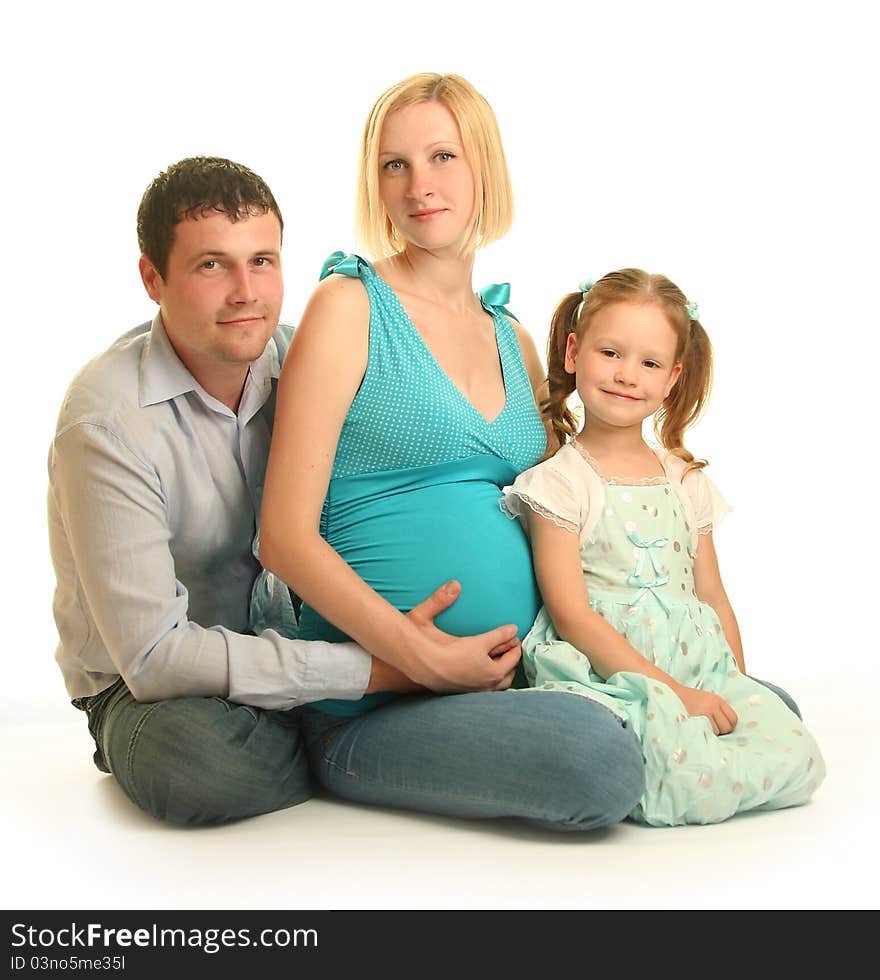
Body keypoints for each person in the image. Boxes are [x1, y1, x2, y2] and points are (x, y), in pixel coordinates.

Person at [47, 155, 522, 827]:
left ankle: (342, 732)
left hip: (302, 643)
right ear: (153, 278)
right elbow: (155, 658)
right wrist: (386, 672)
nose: (246, 291)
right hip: (156, 691)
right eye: (212, 265)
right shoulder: (107, 422)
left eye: (263, 261)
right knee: (196, 766)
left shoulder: (311, 357)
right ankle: (349, 743)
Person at [256, 73, 647, 830]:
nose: (418, 185)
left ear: (483, 169)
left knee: (754, 705)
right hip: (374, 703)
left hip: (522, 671)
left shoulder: (517, 339)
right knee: (596, 762)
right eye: (393, 165)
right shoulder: (349, 306)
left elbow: (556, 514)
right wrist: (420, 655)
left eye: (442, 157)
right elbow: (283, 537)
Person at [501, 269, 826, 825]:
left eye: (649, 363)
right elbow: (572, 614)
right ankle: (677, 768)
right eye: (610, 353)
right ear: (575, 352)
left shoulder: (685, 481)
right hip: (611, 666)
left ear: (673, 377)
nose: (627, 375)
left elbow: (713, 595)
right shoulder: (561, 482)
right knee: (668, 767)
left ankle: (712, 758)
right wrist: (673, 692)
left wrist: (737, 685)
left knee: (798, 753)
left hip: (698, 661)